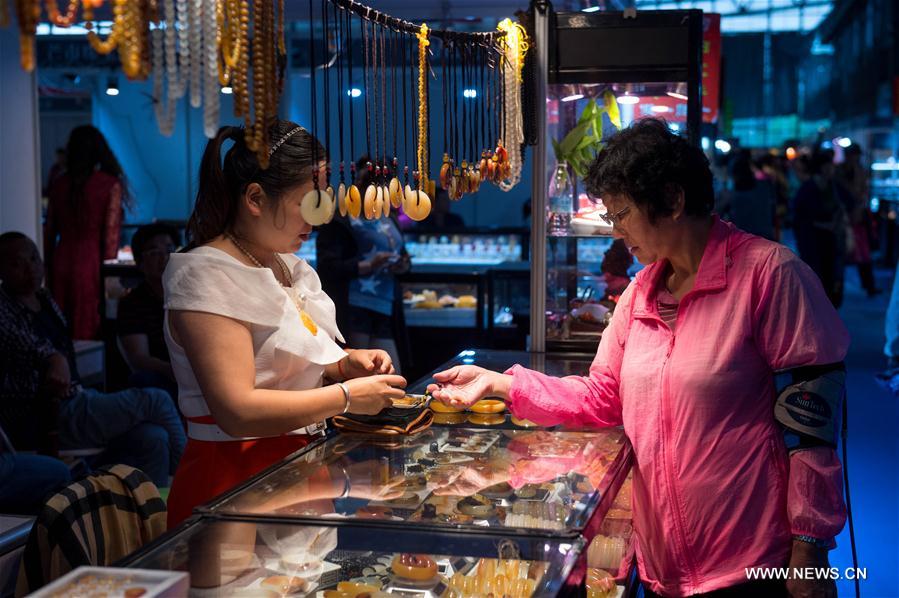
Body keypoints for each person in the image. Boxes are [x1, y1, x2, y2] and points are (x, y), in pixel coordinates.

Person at [429, 119, 847, 598]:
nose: (616, 229)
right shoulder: (639, 295)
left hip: (752, 565)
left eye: (622, 212)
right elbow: (602, 396)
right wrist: (501, 383)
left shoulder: (769, 275)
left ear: (672, 199)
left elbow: (812, 428)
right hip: (660, 568)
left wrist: (810, 548)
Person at [163, 122, 408, 527]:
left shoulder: (285, 265)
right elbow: (237, 410)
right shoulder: (205, 274)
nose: (318, 218)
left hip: (300, 472)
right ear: (255, 198)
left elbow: (285, 361)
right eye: (309, 202)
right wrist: (346, 396)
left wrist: (343, 363)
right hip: (231, 478)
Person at [0, 232, 185, 489]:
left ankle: (153, 508)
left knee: (154, 437)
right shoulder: (4, 309)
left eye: (33, 258)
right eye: (16, 264)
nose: (30, 268)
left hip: (77, 398)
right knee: (157, 399)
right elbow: (34, 348)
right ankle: (190, 476)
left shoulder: (43, 298)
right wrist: (55, 358)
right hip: (47, 413)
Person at [316, 156, 412, 372]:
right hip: (354, 305)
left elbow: (403, 255)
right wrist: (368, 265)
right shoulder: (341, 219)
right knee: (362, 370)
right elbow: (327, 267)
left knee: (391, 371)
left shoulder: (388, 217)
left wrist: (402, 265)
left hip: (385, 305)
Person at [45, 125, 128, 339]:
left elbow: (49, 231)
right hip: (91, 262)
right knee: (87, 325)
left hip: (60, 259)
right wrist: (110, 278)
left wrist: (47, 266)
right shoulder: (109, 184)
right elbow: (110, 239)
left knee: (60, 322)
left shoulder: (59, 183)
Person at [117, 223, 180, 398]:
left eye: (170, 250)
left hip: (193, 370)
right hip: (163, 375)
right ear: (140, 263)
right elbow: (139, 358)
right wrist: (172, 370)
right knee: (142, 381)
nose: (164, 257)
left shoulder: (187, 293)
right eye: (154, 252)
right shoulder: (132, 303)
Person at [793, 149, 849, 308]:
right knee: (817, 280)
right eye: (829, 166)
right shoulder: (808, 189)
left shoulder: (833, 186)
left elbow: (850, 203)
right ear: (822, 167)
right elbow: (801, 218)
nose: (832, 169)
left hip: (832, 241)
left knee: (832, 281)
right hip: (813, 242)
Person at [836, 143, 881, 296]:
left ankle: (869, 285)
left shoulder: (858, 171)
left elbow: (862, 192)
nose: (855, 158)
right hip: (845, 219)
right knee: (844, 253)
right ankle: (839, 286)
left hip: (858, 217)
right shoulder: (840, 172)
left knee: (863, 253)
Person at [719, 149, 776, 240]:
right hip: (766, 238)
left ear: (734, 175)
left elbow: (718, 216)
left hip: (745, 241)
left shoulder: (732, 196)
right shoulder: (765, 186)